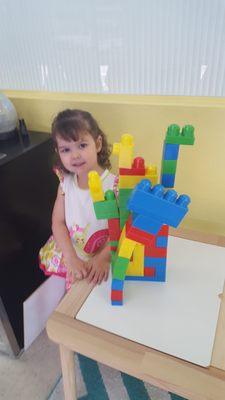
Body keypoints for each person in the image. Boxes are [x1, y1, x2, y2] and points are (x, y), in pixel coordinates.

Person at [39, 109, 116, 290]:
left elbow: (122, 228)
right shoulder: (65, 184)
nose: (74, 155)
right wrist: (71, 257)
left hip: (106, 256)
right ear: (58, 152)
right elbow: (58, 223)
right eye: (66, 149)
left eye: (82, 145)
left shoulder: (115, 186)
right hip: (73, 255)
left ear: (97, 144)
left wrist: (104, 257)